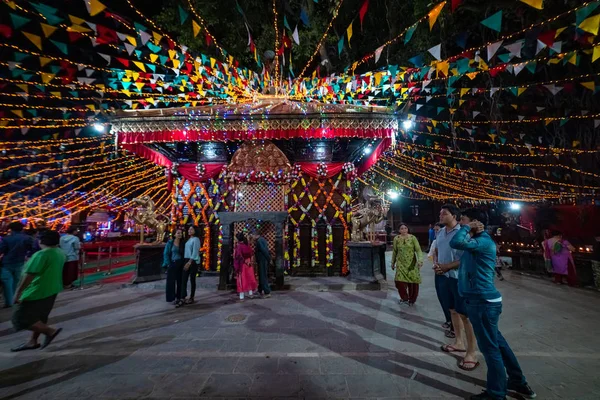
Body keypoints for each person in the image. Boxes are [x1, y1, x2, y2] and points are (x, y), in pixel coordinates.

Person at [450, 208, 536, 400]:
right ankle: (518, 381)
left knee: (490, 349)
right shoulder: (476, 242)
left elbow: (455, 241)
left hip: (482, 302)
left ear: (474, 222)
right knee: (498, 343)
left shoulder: (482, 242)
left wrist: (468, 227)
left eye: (463, 220)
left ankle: (497, 393)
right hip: (481, 300)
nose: (460, 224)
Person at [435, 204, 479, 370]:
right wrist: (438, 265)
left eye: (444, 213)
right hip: (443, 277)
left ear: (454, 216)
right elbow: (439, 251)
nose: (441, 216)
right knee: (452, 310)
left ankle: (472, 352)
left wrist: (448, 266)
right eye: (440, 213)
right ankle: (459, 342)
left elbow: (467, 258)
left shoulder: (463, 233)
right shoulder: (440, 232)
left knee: (465, 315)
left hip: (459, 278)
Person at [10, 230, 65, 352]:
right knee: (40, 316)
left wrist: (18, 293)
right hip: (51, 289)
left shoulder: (41, 254)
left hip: (36, 291)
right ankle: (32, 341)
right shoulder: (59, 252)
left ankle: (50, 331)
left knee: (19, 318)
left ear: (41, 241)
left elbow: (29, 275)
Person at [0, 222, 34, 308]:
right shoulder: (27, 238)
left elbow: (1, 250)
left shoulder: (6, 239)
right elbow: (31, 248)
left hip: (7, 263)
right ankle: (16, 298)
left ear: (11, 229)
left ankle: (9, 302)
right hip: (20, 262)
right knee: (17, 282)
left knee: (7, 283)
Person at [391, 223, 423, 306]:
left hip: (411, 264)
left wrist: (420, 261)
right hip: (400, 264)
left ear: (408, 229)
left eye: (405, 228)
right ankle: (404, 298)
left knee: (413, 282)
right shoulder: (396, 239)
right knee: (399, 282)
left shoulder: (412, 238)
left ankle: (412, 300)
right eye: (401, 228)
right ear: (399, 230)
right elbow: (395, 252)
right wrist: (392, 262)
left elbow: (418, 250)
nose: (404, 230)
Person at [163, 228, 185, 307]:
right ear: (174, 234)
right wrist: (168, 264)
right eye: (178, 233)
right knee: (171, 282)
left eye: (181, 233)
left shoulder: (183, 243)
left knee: (180, 281)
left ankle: (179, 297)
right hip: (173, 263)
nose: (180, 234)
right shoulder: (170, 243)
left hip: (181, 263)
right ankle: (171, 298)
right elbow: (166, 253)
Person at [234, 232, 257, 301]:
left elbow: (238, 256)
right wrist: (249, 261)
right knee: (249, 278)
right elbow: (251, 253)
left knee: (242, 279)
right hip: (249, 264)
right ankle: (251, 293)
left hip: (242, 265)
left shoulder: (239, 246)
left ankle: (242, 296)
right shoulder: (247, 245)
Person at [181, 226, 201, 305]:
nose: (189, 230)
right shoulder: (189, 239)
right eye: (189, 229)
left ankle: (192, 297)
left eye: (191, 229)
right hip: (186, 259)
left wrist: (189, 262)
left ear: (195, 231)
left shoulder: (196, 239)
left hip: (192, 261)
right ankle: (183, 297)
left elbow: (195, 251)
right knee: (184, 279)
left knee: (192, 280)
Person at [250, 231, 271, 298]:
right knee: (261, 275)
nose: (252, 238)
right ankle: (260, 289)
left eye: (252, 236)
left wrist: (268, 259)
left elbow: (264, 250)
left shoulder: (260, 241)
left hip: (262, 260)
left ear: (255, 235)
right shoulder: (261, 240)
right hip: (261, 260)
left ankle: (267, 292)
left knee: (263, 276)